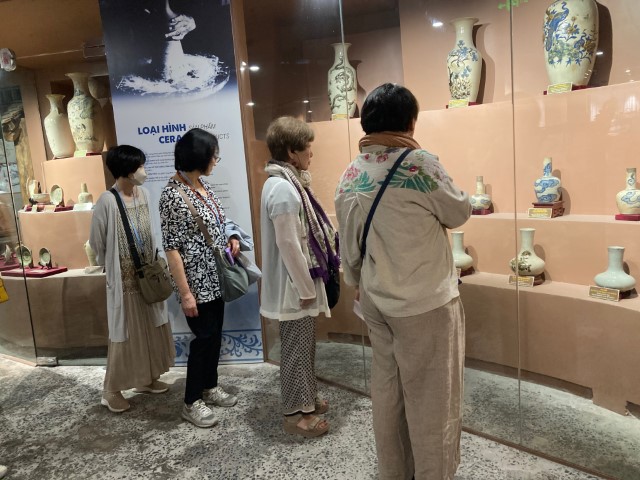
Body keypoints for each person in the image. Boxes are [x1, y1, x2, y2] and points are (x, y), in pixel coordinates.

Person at [335, 83, 471, 479]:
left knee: (388, 392)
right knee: (433, 400)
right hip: (424, 303)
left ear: (367, 123)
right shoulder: (420, 165)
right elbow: (459, 212)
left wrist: (357, 280)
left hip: (376, 299)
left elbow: (348, 246)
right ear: (410, 121)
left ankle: (394, 473)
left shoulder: (350, 173)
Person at [259, 116, 340, 438]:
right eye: (307, 147)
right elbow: (289, 245)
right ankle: (297, 415)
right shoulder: (283, 188)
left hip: (296, 284)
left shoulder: (286, 184)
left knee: (304, 348)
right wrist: (306, 288)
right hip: (294, 287)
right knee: (295, 351)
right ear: (292, 152)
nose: (311, 153)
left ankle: (308, 399)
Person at [160, 128, 242, 428]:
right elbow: (172, 249)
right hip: (196, 282)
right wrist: (185, 293)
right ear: (199, 157)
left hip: (216, 276)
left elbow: (219, 221)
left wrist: (231, 235)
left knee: (214, 335)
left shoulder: (200, 186)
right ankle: (191, 400)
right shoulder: (172, 195)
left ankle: (210, 387)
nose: (215, 161)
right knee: (203, 338)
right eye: (212, 155)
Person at [90, 145, 175, 413]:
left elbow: (152, 232)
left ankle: (146, 379)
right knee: (125, 334)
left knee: (151, 327)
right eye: (139, 166)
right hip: (124, 281)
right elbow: (97, 242)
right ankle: (110, 390)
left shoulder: (144, 194)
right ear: (126, 171)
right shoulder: (107, 201)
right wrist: (111, 264)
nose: (143, 171)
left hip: (147, 276)